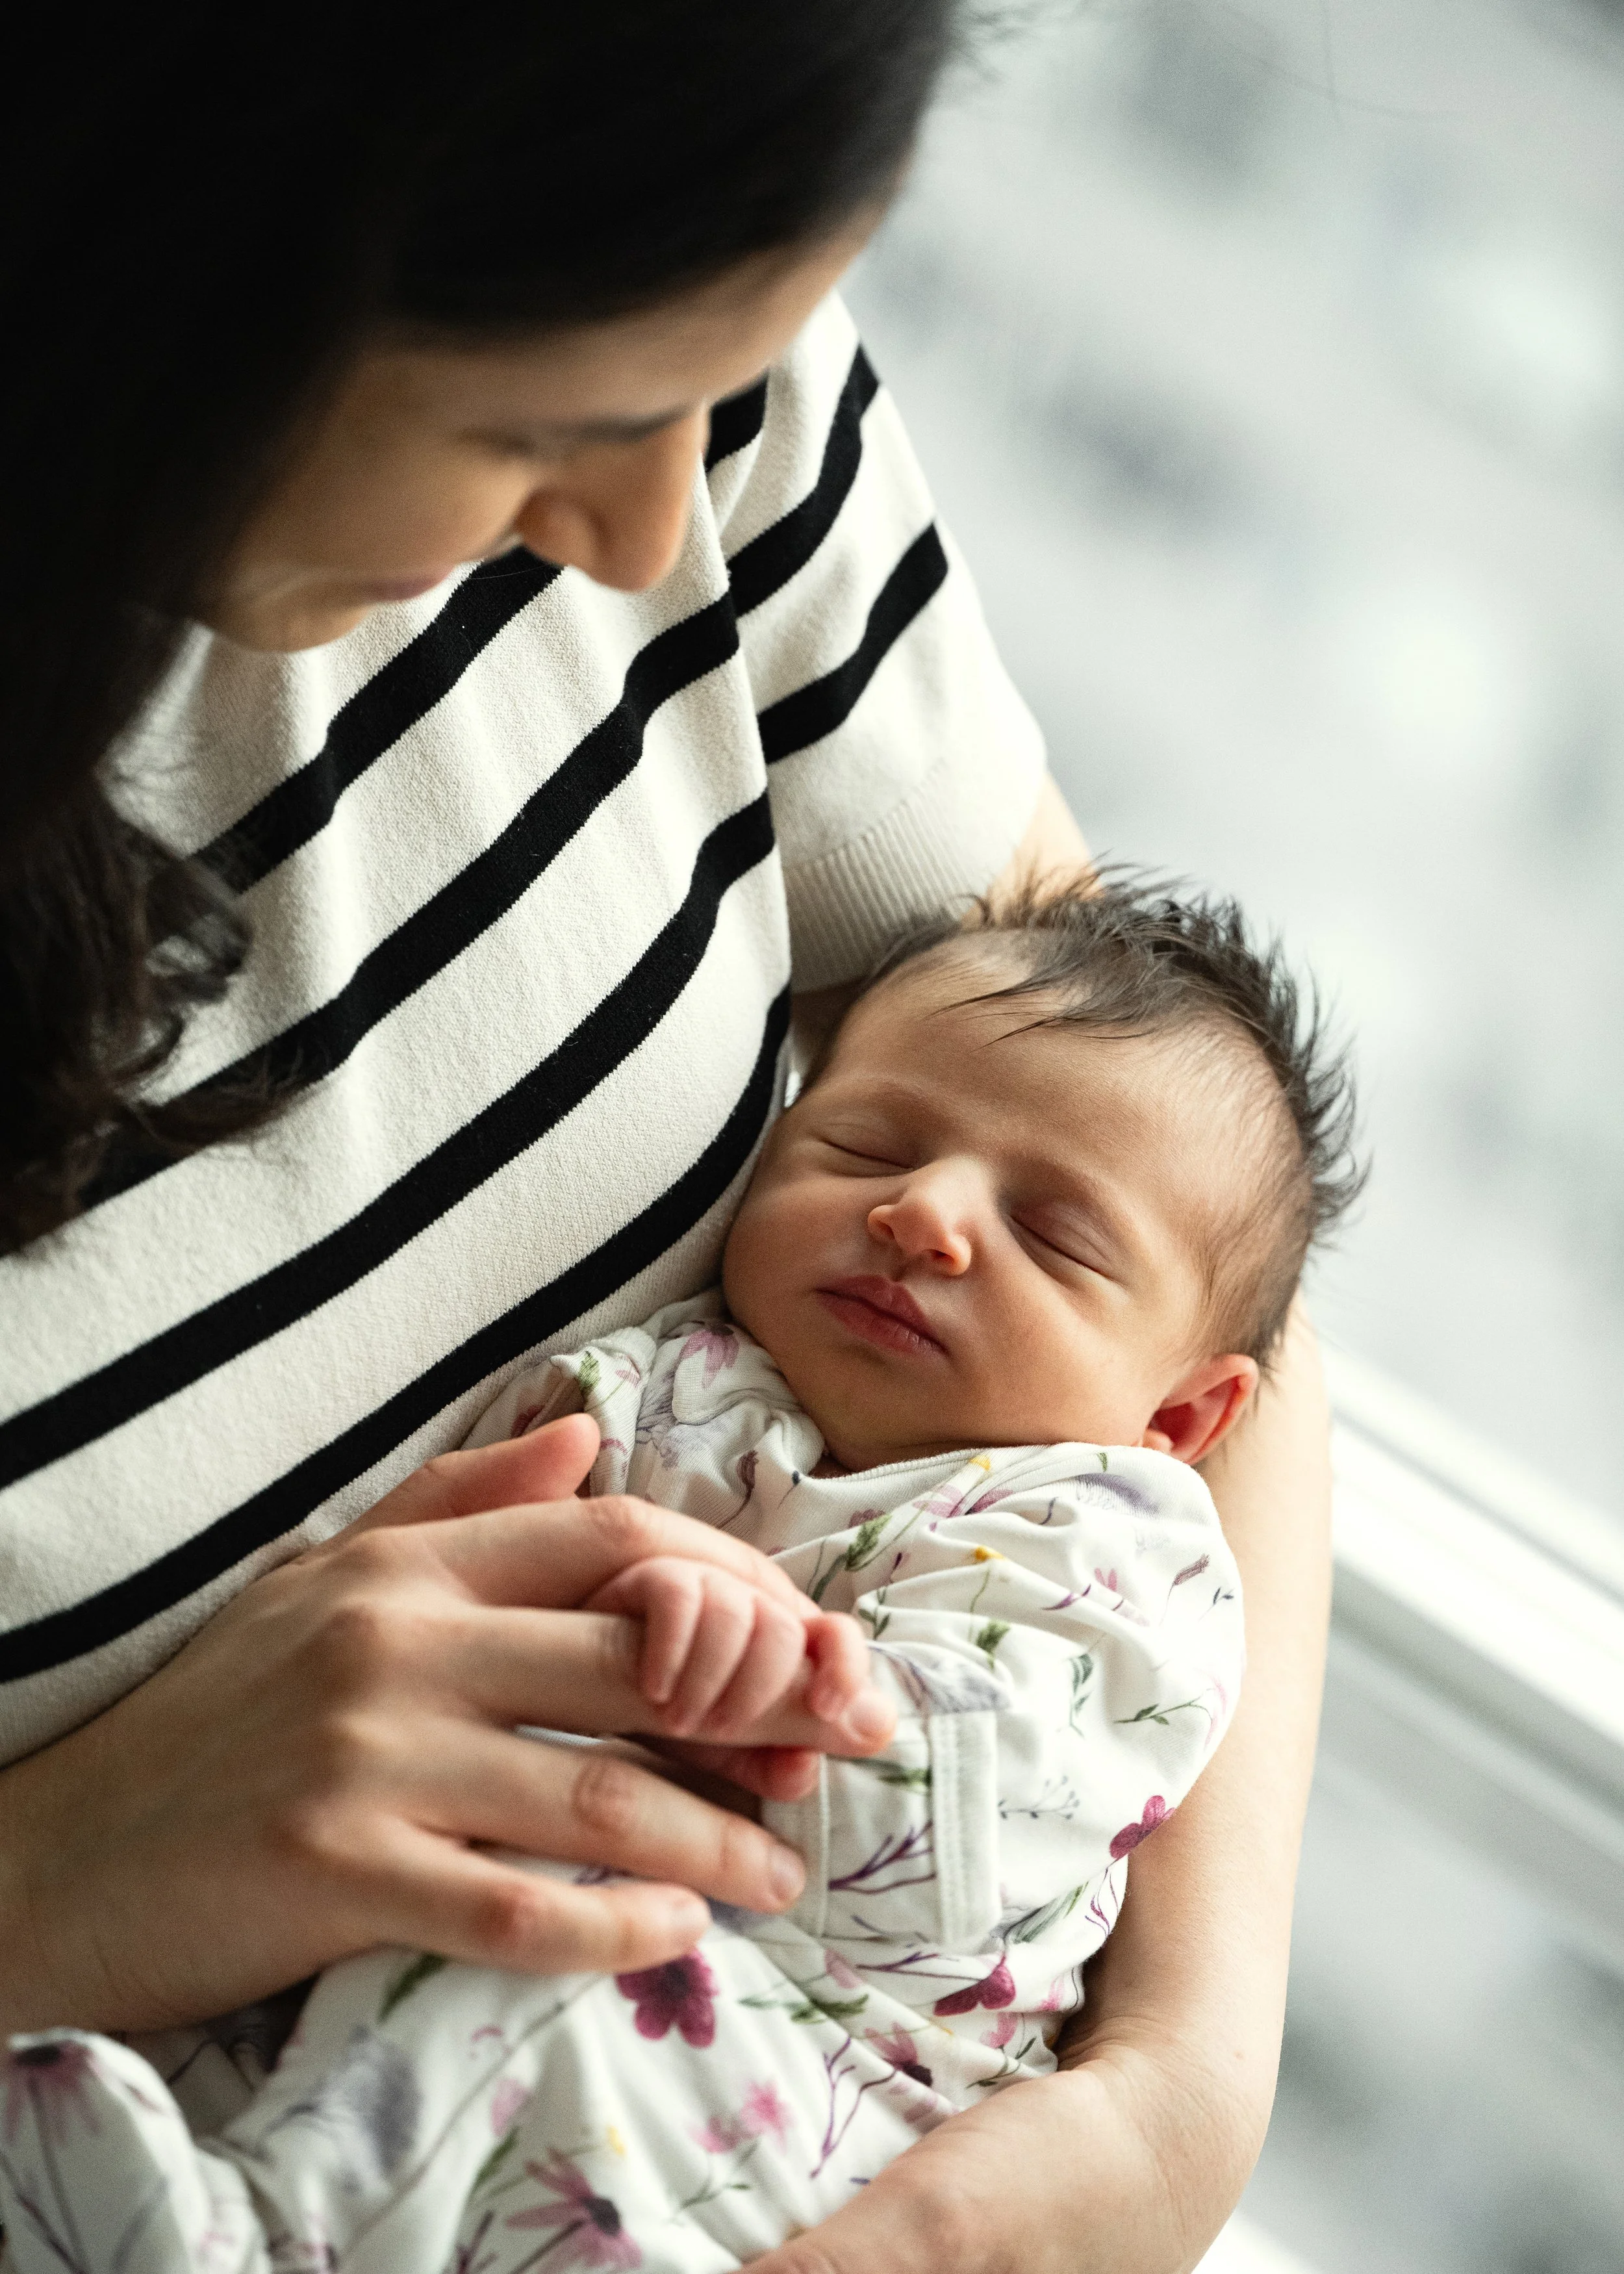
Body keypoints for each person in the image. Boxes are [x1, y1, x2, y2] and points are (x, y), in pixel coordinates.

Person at [0, 8, 1336, 2271]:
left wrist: (1176, 2095)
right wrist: (59, 1887)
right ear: (164, 268)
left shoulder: (672, 293)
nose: (647, 527)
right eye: (546, 427)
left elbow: (1179, 1191)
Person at [1, 880, 1358, 2272]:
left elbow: (967, 1841)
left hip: (775, 2089)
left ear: (1182, 1420)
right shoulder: (667, 1380)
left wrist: (742, 1667)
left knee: (546, 2023)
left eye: (1055, 1234)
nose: (921, 1211)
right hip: (423, 1935)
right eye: (864, 1141)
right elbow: (424, 1592)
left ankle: (241, 2233)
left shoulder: (1118, 1543)